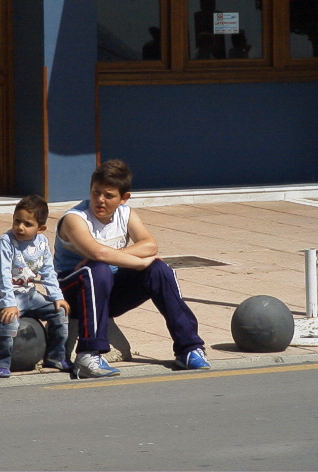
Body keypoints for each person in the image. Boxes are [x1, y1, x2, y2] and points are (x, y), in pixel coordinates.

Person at [54, 159, 211, 379]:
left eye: (108, 196)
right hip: (73, 294)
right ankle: (88, 354)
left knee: (159, 270)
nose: (100, 200)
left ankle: (189, 349)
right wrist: (138, 261)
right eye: (96, 193)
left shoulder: (125, 214)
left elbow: (150, 245)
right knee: (96, 269)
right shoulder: (74, 219)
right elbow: (98, 254)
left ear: (123, 198)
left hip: (107, 292)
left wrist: (127, 258)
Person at [0, 195, 71, 378]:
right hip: (6, 295)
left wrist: (57, 297)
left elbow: (48, 271)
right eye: (17, 221)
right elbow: (2, 277)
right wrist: (9, 303)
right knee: (10, 321)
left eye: (27, 224)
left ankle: (55, 356)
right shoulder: (6, 243)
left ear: (41, 228)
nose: (20, 227)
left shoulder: (41, 243)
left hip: (29, 294)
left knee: (60, 313)